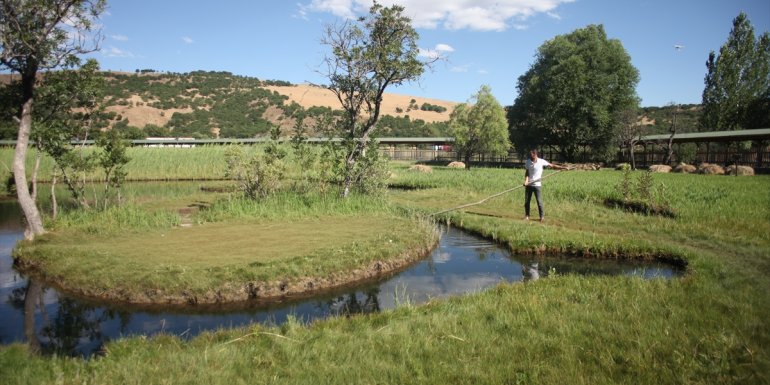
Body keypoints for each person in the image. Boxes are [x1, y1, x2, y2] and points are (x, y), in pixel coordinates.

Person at [523, 149, 569, 222]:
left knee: (539, 202)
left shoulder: (541, 161)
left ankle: (542, 217)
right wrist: (526, 181)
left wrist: (562, 168)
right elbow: (527, 173)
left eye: (532, 157)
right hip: (529, 184)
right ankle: (527, 216)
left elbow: (552, 165)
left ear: (536, 155)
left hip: (537, 185)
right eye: (530, 156)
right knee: (527, 202)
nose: (531, 158)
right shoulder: (528, 162)